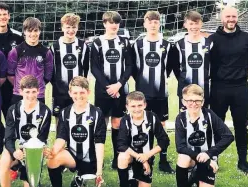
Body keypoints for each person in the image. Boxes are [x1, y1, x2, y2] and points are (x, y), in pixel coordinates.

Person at [45, 76, 106, 187]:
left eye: (82, 92)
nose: (79, 96)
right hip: (72, 155)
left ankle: (81, 178)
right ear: (70, 93)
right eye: (75, 93)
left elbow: (99, 142)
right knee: (53, 160)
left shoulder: (97, 113)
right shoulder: (65, 112)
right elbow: (61, 137)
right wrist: (53, 152)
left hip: (89, 158)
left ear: (88, 93)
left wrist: (99, 171)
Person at [208, 6, 248, 175]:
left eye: (234, 16)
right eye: (228, 16)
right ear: (222, 18)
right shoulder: (212, 39)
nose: (231, 19)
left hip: (240, 88)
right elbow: (210, 63)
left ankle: (243, 162)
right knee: (216, 126)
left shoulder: (247, 38)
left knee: (241, 126)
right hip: (218, 88)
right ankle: (213, 160)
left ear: (237, 18)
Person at [174, 84, 234, 187]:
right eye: (190, 100)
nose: (193, 104)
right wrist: (205, 160)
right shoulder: (180, 119)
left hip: (208, 157)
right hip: (192, 158)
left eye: (197, 101)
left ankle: (195, 175)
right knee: (182, 157)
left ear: (203, 101)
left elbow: (228, 136)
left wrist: (209, 154)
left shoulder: (210, 116)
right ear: (184, 101)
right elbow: (180, 147)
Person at [0, 75, 51, 187]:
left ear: (38, 91)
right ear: (20, 91)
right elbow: (8, 137)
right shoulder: (13, 110)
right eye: (27, 92)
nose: (30, 95)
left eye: (33, 92)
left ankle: (33, 182)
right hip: (17, 148)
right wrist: (14, 152)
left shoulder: (45, 111)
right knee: (3, 161)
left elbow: (42, 138)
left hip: (34, 151)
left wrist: (30, 153)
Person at [132, 10, 178, 173]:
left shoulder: (167, 45)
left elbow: (171, 66)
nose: (153, 24)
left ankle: (163, 160)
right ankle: (144, 156)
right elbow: (133, 67)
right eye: (150, 21)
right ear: (144, 24)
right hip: (142, 93)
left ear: (160, 24)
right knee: (141, 124)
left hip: (160, 93)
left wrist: (161, 79)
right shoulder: (137, 44)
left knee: (162, 125)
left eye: (156, 22)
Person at [112, 91, 170, 187]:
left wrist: (147, 156)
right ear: (127, 107)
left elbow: (164, 141)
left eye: (139, 105)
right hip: (131, 156)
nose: (136, 109)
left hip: (147, 156)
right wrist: (141, 158)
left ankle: (133, 176)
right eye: (133, 106)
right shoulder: (125, 120)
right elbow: (121, 145)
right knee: (122, 157)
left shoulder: (152, 118)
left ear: (145, 105)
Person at [90, 11, 133, 170]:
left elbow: (130, 65)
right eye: (110, 22)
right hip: (103, 90)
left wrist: (119, 84)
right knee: (101, 124)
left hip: (121, 89)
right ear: (104, 24)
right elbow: (94, 67)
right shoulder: (97, 43)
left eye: (116, 22)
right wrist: (108, 87)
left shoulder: (125, 42)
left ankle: (117, 157)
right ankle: (96, 158)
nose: (113, 25)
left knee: (117, 122)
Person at [50, 13, 90, 123]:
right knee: (60, 120)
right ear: (62, 27)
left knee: (78, 118)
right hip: (59, 90)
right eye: (68, 27)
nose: (71, 30)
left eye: (74, 27)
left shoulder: (83, 46)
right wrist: (58, 86)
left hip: (78, 91)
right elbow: (52, 70)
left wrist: (80, 86)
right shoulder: (55, 46)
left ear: (77, 28)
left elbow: (85, 68)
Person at [7, 17, 53, 105]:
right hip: (19, 94)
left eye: (35, 31)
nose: (33, 34)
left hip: (38, 94)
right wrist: (22, 87)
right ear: (24, 32)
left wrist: (37, 85)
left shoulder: (46, 52)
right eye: (29, 31)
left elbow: (48, 75)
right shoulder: (16, 51)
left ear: (40, 31)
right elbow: (10, 74)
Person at [172, 11, 212, 110]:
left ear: (201, 24)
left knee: (204, 120)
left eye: (197, 23)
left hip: (204, 90)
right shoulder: (179, 45)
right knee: (184, 119)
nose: (194, 26)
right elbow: (175, 67)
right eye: (191, 23)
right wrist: (183, 79)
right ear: (185, 25)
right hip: (185, 90)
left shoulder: (209, 44)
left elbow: (214, 65)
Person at [0, 2, 24, 117]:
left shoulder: (18, 37)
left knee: (13, 120)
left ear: (9, 16)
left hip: (12, 86)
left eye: (5, 14)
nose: (2, 17)